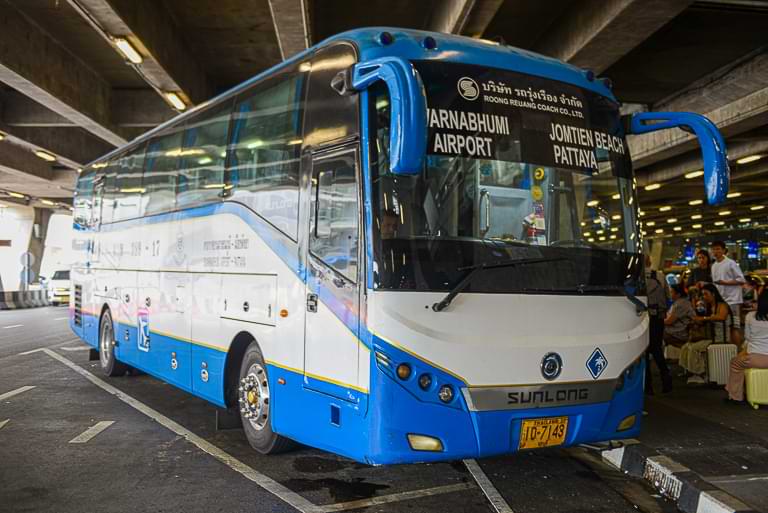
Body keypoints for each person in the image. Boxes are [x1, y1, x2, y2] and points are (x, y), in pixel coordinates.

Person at [680, 283, 733, 384]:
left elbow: (721, 317)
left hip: (721, 338)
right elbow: (703, 320)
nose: (704, 297)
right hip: (711, 337)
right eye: (703, 295)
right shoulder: (708, 307)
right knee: (686, 347)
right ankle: (692, 371)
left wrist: (704, 318)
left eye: (706, 294)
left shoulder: (722, 305)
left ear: (713, 294)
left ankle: (699, 373)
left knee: (694, 348)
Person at [724, 288, 768, 404]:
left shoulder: (750, 316)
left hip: (755, 358)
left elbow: (748, 338)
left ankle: (735, 396)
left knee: (735, 363)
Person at [645, 255, 672, 393]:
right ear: (650, 261)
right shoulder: (660, 275)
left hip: (642, 318)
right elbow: (668, 297)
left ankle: (647, 386)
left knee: (643, 351)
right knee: (656, 349)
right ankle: (666, 381)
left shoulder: (634, 277)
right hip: (658, 317)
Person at [710, 241, 745, 340]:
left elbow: (741, 280)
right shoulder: (714, 265)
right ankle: (726, 350)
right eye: (714, 249)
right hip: (721, 301)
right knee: (722, 326)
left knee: (734, 326)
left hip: (733, 300)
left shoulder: (730, 263)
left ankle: (736, 351)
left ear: (724, 250)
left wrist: (725, 282)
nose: (715, 251)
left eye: (718, 249)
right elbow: (715, 283)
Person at [664, 284, 695, 348]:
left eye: (671, 292)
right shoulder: (679, 302)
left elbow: (669, 321)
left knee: (656, 333)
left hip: (679, 332)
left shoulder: (681, 304)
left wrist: (657, 321)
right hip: (677, 329)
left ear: (678, 294)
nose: (670, 294)